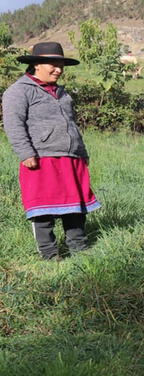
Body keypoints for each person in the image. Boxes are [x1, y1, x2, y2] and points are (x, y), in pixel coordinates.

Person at [2, 42, 101, 260]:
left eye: (61, 65)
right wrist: (26, 153)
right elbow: (13, 124)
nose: (58, 69)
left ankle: (79, 249)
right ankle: (49, 254)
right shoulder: (18, 92)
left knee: (75, 207)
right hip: (41, 157)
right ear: (37, 65)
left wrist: (81, 152)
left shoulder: (62, 93)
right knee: (42, 208)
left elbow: (72, 124)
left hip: (71, 157)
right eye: (53, 65)